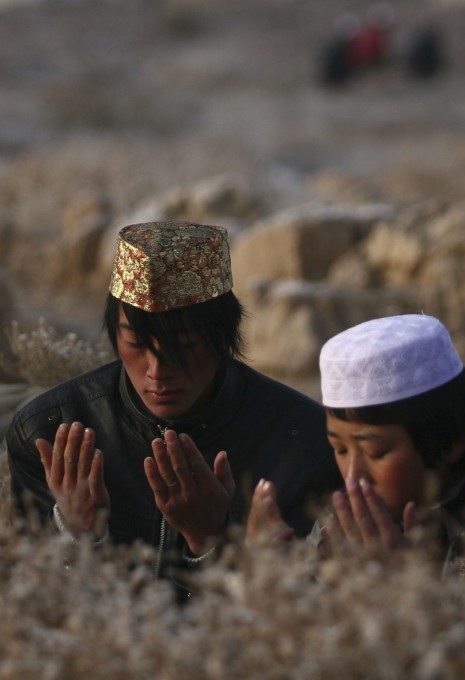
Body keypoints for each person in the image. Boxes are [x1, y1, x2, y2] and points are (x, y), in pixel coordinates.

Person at [5, 221, 341, 591]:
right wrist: (79, 536)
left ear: (222, 336)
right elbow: (35, 603)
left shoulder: (304, 445)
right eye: (137, 343)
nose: (157, 371)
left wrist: (210, 540)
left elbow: (309, 608)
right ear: (114, 335)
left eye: (184, 345)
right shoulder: (47, 433)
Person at [246, 314, 465, 578]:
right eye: (340, 450)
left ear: (453, 440)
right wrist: (277, 578)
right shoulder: (341, 520)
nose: (352, 476)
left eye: (375, 452)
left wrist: (403, 586)